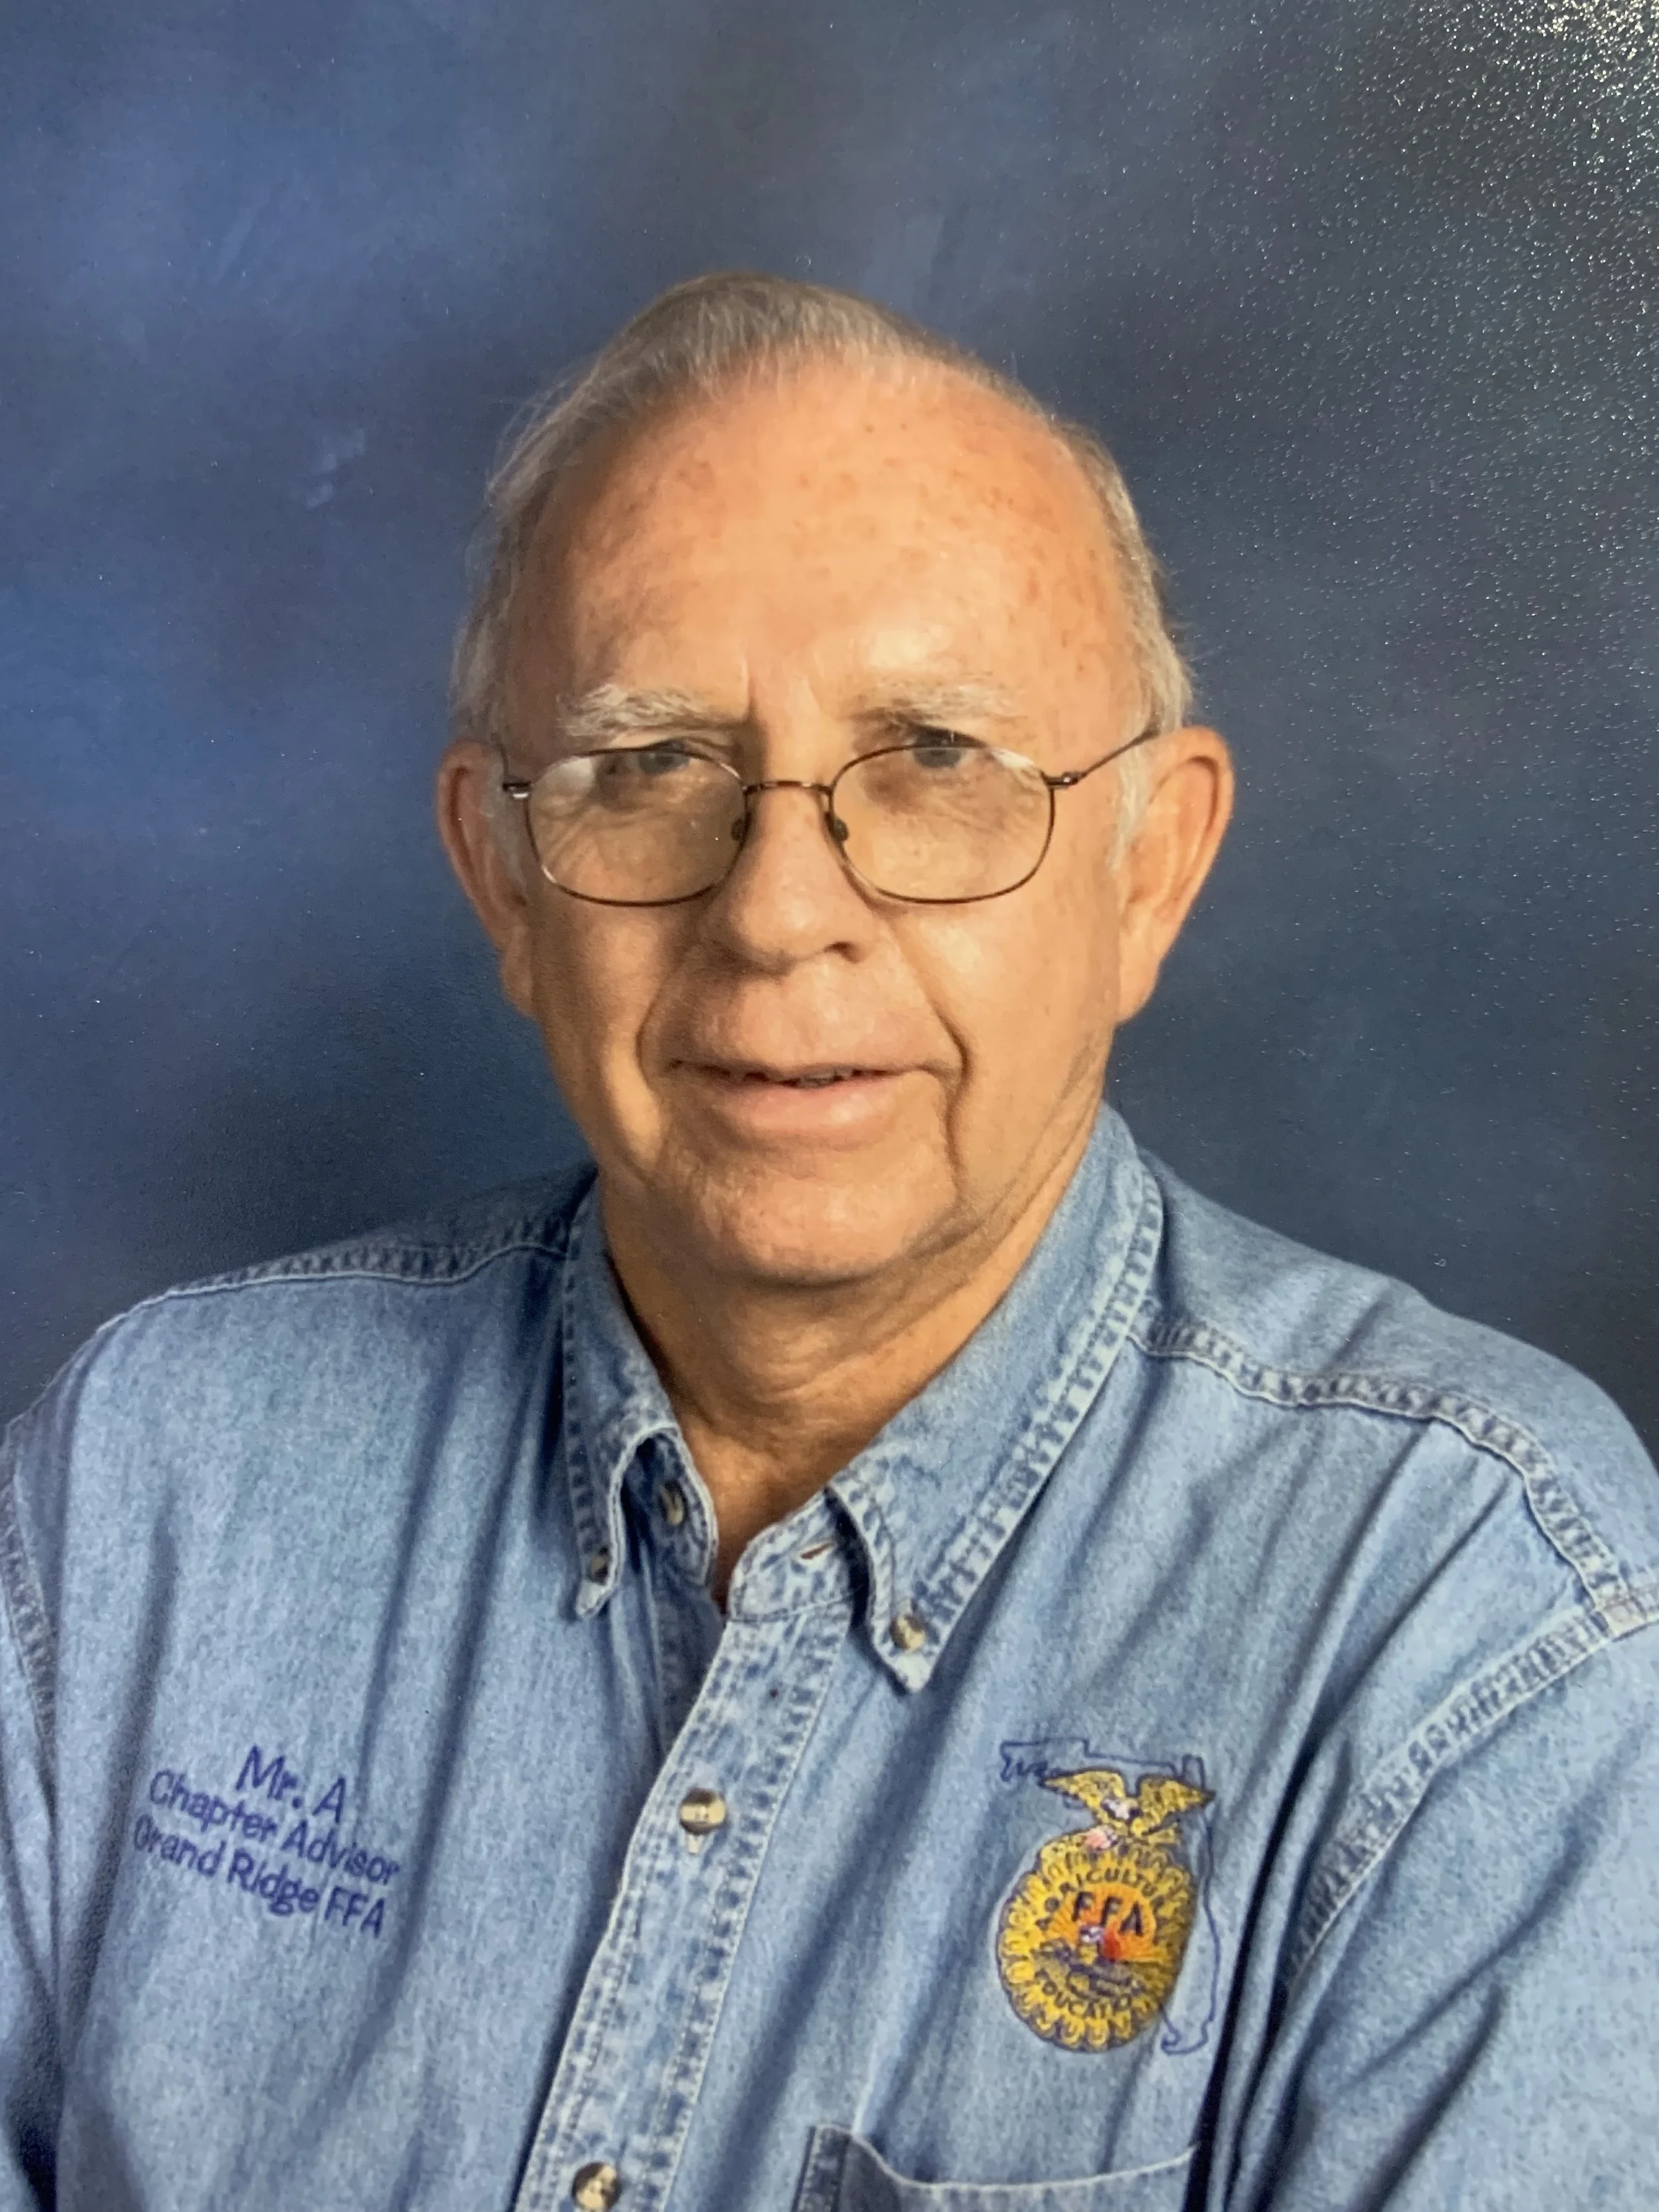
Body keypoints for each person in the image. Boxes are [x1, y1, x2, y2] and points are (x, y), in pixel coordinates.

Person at [3, 273, 1655, 2212]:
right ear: (502, 875)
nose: (781, 911)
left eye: (936, 764)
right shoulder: (151, 1489)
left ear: (1154, 866)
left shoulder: (1478, 1624)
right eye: (648, 769)